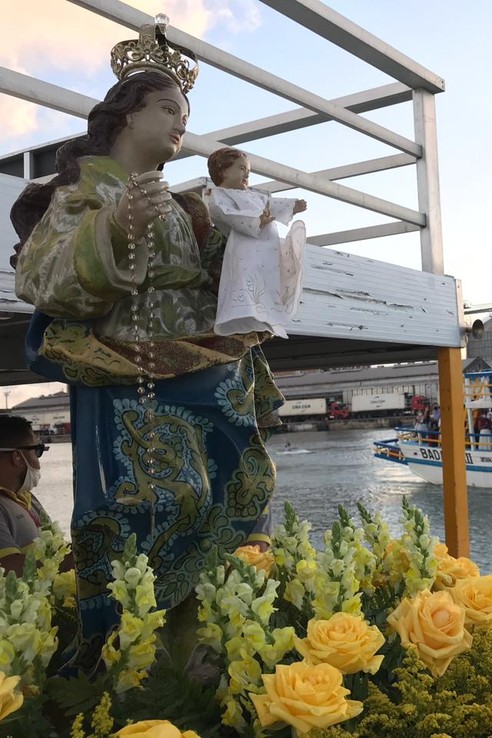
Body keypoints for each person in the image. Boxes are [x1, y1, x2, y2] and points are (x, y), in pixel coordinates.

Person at [10, 26, 280, 643]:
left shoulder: (189, 205)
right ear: (127, 115)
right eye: (168, 109)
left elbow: (219, 279)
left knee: (232, 493)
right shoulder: (84, 190)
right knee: (147, 505)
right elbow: (42, 274)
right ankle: (135, 646)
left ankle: (220, 625)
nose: (180, 124)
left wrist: (252, 233)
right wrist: (113, 229)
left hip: (207, 366)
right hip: (128, 375)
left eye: (184, 114)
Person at [205, 147, 307, 338]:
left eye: (248, 171)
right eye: (241, 168)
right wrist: (258, 220)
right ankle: (244, 311)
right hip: (246, 246)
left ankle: (266, 311)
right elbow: (224, 214)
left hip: (268, 247)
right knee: (246, 277)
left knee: (268, 278)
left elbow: (272, 204)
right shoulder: (219, 195)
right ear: (223, 170)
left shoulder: (254, 195)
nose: (246, 174)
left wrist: (293, 205)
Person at [0, 416, 65, 577]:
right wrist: (77, 562)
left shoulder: (29, 498)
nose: (39, 462)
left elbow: (55, 546)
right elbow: (7, 567)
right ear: (17, 456)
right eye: (37, 451)